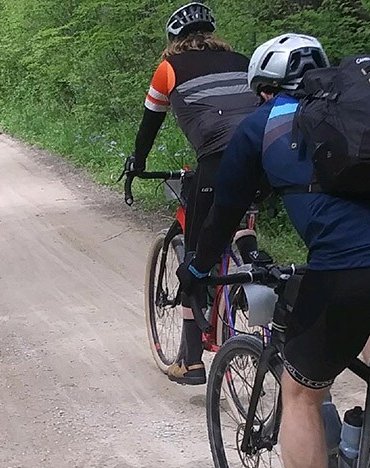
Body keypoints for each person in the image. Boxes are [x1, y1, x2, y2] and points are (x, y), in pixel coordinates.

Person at [179, 34, 370, 468]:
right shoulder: (360, 116)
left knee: (302, 391)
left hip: (349, 274)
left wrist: (198, 269)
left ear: (264, 90)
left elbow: (226, 211)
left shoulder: (263, 123)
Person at [125, 2, 260, 385]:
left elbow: (149, 125)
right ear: (212, 34)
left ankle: (191, 360)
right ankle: (257, 272)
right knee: (239, 222)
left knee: (198, 254)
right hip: (264, 155)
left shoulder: (169, 68)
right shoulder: (243, 61)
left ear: (174, 40)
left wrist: (137, 163)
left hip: (216, 162)